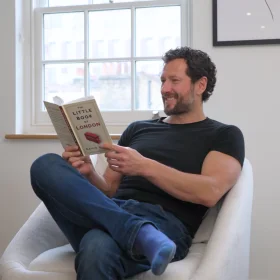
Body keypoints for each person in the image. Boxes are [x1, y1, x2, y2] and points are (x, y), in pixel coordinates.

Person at [30, 46, 245, 280]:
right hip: (113, 212)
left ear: (200, 85)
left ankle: (143, 233)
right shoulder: (138, 128)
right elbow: (109, 190)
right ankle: (140, 234)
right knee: (45, 165)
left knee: (96, 245)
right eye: (162, 80)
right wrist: (90, 173)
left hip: (164, 223)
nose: (164, 89)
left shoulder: (223, 134)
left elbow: (210, 191)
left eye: (174, 81)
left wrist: (144, 166)